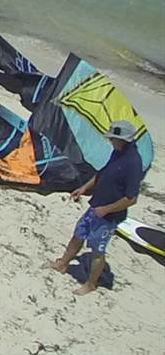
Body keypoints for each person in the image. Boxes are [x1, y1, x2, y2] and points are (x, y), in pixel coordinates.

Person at [48, 119, 147, 294]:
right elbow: (103, 173)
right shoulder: (117, 152)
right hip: (95, 206)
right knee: (78, 235)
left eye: (113, 139)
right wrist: (84, 188)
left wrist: (106, 210)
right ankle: (63, 264)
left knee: (97, 250)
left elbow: (131, 198)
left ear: (124, 140)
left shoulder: (133, 163)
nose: (110, 141)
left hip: (109, 216)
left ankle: (91, 284)